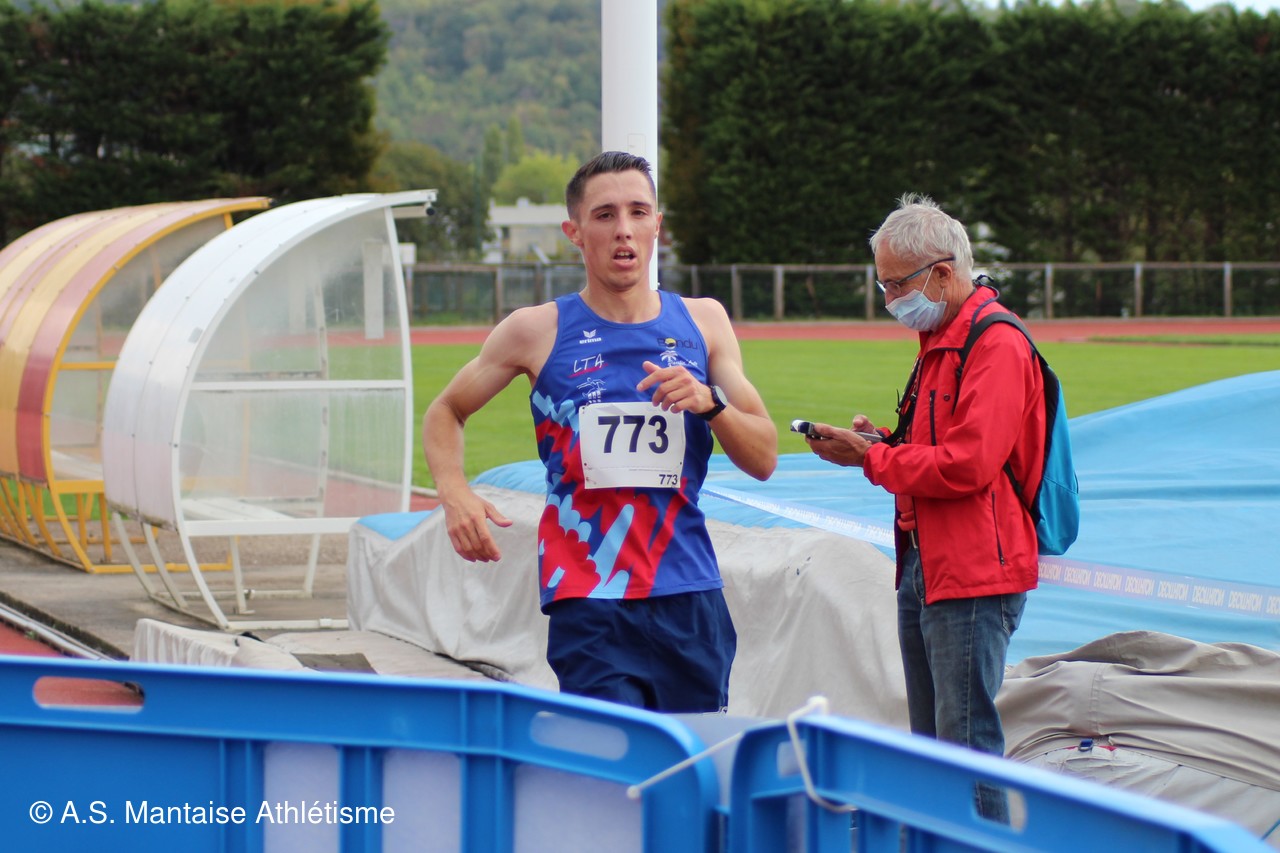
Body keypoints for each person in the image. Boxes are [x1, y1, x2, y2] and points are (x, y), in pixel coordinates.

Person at [423, 151, 777, 713]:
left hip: (688, 591)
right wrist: (454, 492)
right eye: (605, 215)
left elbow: (763, 456)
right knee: (613, 759)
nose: (624, 230)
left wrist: (711, 405)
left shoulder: (704, 321)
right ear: (575, 233)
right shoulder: (536, 330)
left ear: (657, 225)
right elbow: (446, 410)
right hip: (589, 595)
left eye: (638, 212)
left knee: (692, 759)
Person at [803, 193, 1043, 821]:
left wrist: (873, 458)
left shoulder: (995, 343)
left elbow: (968, 465)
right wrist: (881, 444)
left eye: (895, 284)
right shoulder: (943, 337)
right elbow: (939, 449)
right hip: (930, 563)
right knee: (934, 749)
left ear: (941, 273)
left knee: (965, 751)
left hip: (972, 572)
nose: (889, 300)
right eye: (882, 285)